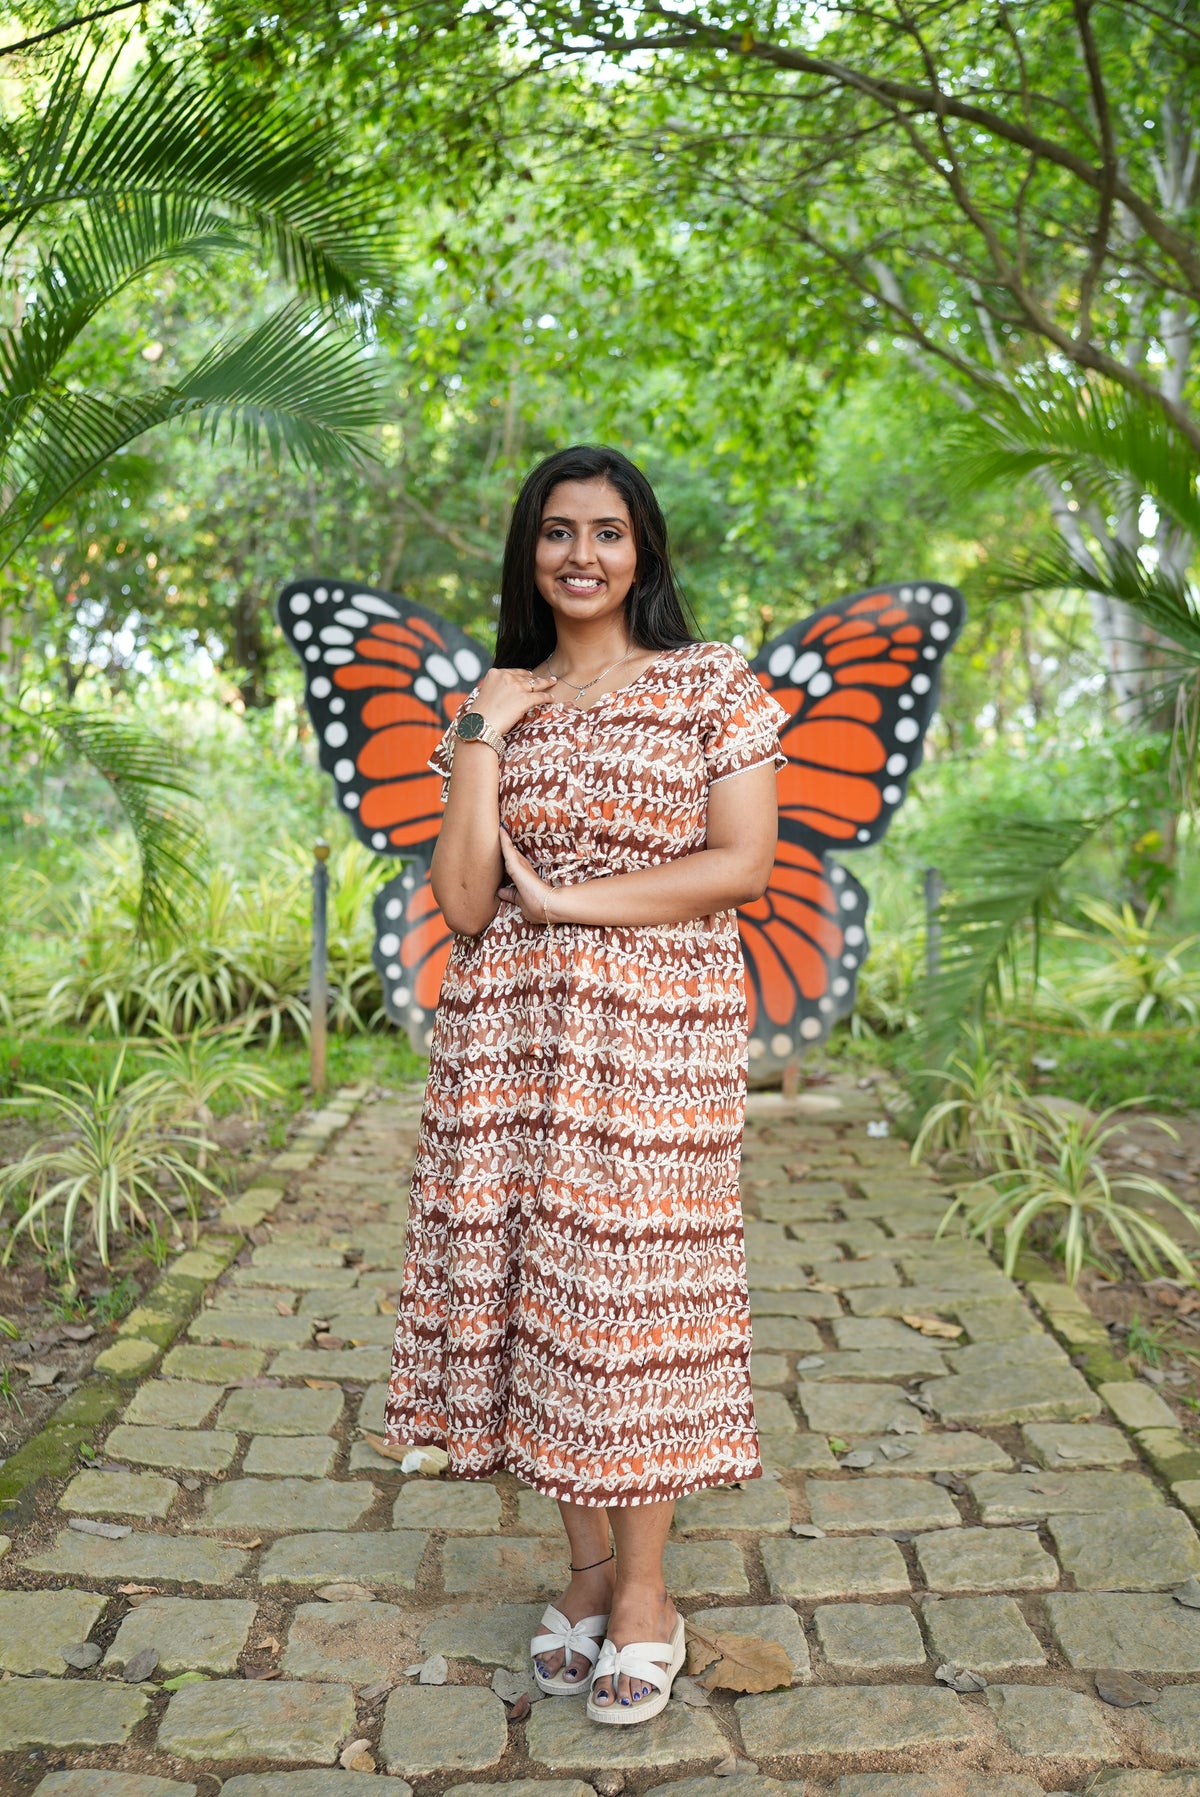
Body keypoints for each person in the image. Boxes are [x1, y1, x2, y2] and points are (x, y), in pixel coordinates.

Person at [385, 444, 786, 1725]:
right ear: (529, 552)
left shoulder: (709, 683)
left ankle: (648, 1596)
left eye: (606, 533)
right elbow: (460, 903)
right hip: (510, 1039)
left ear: (643, 552)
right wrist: (484, 731)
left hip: (658, 1037)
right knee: (548, 1295)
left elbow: (742, 867)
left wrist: (568, 900)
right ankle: (586, 1570)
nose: (580, 556)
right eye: (557, 533)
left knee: (634, 1304)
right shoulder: (495, 701)